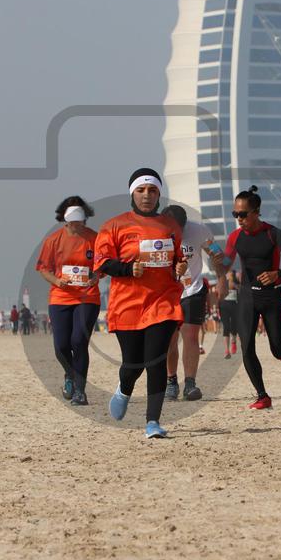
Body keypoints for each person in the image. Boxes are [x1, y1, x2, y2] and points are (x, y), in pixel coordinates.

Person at [94, 168, 186, 438]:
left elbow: (177, 259)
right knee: (133, 364)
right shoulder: (114, 225)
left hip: (163, 301)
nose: (147, 195)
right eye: (141, 190)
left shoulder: (170, 226)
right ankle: (124, 389)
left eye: (153, 190)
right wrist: (127, 269)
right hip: (128, 305)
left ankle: (152, 422)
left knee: (156, 360)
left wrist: (179, 267)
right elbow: (101, 262)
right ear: (132, 193)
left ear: (159, 194)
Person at [221, 185, 281, 409]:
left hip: (271, 297)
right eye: (235, 214)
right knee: (246, 347)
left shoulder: (273, 234)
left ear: (256, 212)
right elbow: (225, 264)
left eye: (243, 214)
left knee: (278, 351)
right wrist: (215, 257)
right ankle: (262, 396)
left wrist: (279, 273)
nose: (239, 219)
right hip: (247, 297)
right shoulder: (234, 237)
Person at [36, 196, 100, 405]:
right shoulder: (53, 240)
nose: (77, 224)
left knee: (79, 341)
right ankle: (70, 375)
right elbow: (43, 268)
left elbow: (103, 264)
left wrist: (96, 276)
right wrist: (57, 281)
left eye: (80, 220)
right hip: (60, 296)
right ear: (64, 218)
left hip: (87, 296)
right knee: (61, 346)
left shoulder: (94, 238)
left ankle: (80, 391)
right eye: (73, 220)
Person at [162, 205, 220, 400]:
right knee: (169, 339)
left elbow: (215, 251)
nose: (176, 232)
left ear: (184, 224)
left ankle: (190, 384)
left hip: (192, 289)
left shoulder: (199, 230)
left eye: (179, 228)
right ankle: (171, 382)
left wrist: (221, 273)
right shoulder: (156, 232)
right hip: (167, 293)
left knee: (191, 336)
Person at [219, 270, 239, 359]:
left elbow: (241, 291)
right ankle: (227, 350)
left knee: (234, 326)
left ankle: (233, 341)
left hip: (234, 305)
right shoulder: (223, 283)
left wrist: (236, 286)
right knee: (226, 327)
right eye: (228, 273)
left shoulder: (236, 283)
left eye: (230, 273)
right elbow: (219, 294)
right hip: (224, 305)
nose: (229, 274)